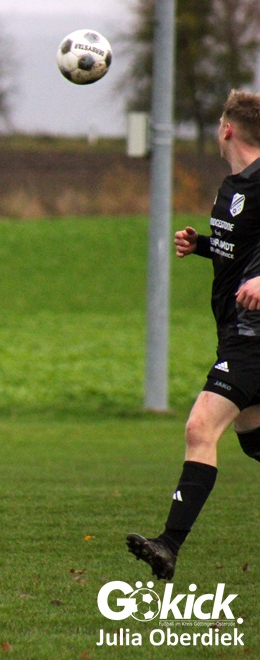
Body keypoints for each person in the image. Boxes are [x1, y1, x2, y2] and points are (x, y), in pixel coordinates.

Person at [127, 89, 260, 580]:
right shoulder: (232, 187)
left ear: (226, 129)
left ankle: (168, 544)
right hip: (234, 333)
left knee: (200, 429)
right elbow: (240, 248)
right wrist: (203, 244)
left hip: (253, 338)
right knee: (253, 438)